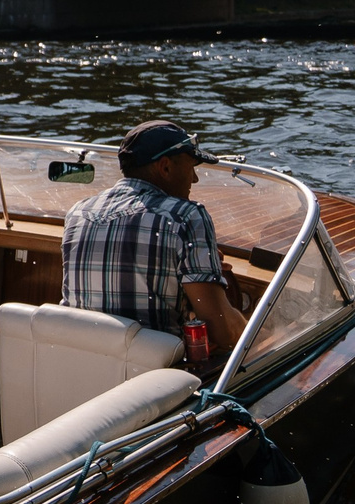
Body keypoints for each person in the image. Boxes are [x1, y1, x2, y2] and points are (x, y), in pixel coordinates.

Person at [61, 119, 249, 367]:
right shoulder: (185, 216)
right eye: (191, 167)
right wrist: (259, 330)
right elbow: (222, 332)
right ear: (165, 167)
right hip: (153, 378)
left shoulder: (78, 213)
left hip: (80, 366)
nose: (194, 179)